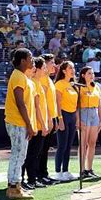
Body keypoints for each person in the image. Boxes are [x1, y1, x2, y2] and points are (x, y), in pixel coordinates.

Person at [4, 48, 36, 199]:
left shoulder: (21, 76)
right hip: (17, 122)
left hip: (19, 122)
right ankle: (13, 188)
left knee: (20, 155)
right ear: (23, 60)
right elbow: (20, 103)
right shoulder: (18, 76)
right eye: (30, 57)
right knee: (18, 155)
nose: (32, 60)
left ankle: (15, 185)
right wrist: (29, 125)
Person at [22, 57, 49, 191]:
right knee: (31, 154)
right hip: (36, 125)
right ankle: (29, 180)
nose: (45, 69)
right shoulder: (33, 82)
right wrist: (43, 125)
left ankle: (33, 179)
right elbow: (37, 107)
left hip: (38, 124)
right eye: (43, 67)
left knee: (36, 154)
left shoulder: (37, 82)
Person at [54, 61, 79, 181]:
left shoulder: (73, 84)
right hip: (63, 114)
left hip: (72, 115)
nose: (73, 70)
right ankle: (58, 172)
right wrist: (60, 119)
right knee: (62, 145)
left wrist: (77, 119)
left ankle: (66, 170)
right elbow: (57, 103)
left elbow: (76, 104)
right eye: (70, 68)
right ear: (64, 71)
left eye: (73, 68)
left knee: (69, 145)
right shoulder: (59, 84)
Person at [37, 54, 60, 185]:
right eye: (51, 63)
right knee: (40, 149)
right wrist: (49, 120)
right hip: (45, 119)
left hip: (51, 117)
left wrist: (54, 118)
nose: (54, 65)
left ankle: (44, 174)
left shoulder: (49, 80)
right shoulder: (42, 80)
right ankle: (38, 175)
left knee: (45, 148)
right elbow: (43, 102)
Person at [78, 67, 101, 179]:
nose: (92, 75)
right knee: (83, 143)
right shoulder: (80, 87)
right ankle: (82, 169)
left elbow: (99, 105)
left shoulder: (96, 87)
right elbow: (76, 105)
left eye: (92, 73)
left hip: (94, 113)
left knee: (92, 143)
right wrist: (78, 119)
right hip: (84, 112)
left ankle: (89, 168)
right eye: (89, 73)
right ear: (83, 75)